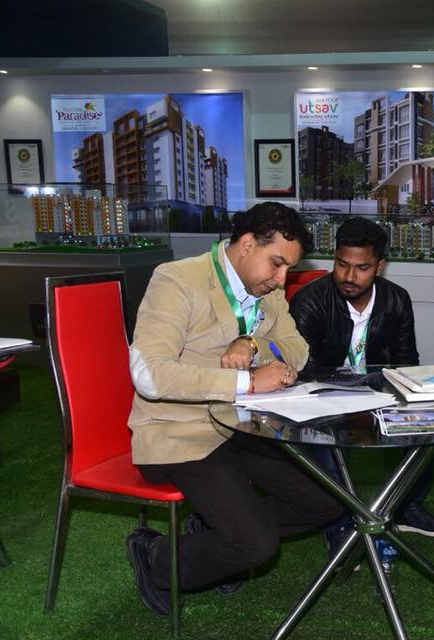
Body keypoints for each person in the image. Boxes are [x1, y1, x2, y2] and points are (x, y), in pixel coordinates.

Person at [125, 202, 343, 616]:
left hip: (244, 429)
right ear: (246, 244)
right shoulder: (177, 280)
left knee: (327, 502)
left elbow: (298, 351)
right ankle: (155, 558)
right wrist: (247, 382)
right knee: (255, 545)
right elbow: (149, 374)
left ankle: (210, 534)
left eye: (289, 269)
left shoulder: (269, 290)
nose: (282, 279)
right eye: (277, 263)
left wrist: (253, 343)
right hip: (179, 434)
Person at [289, 216, 434, 539]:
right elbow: (307, 374)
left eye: (362, 268)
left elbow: (407, 364)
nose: (349, 277)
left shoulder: (396, 299)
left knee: (425, 427)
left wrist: (411, 403)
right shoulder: (309, 303)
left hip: (377, 393)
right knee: (324, 449)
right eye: (342, 264)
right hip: (322, 399)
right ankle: (338, 528)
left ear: (380, 266)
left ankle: (407, 507)